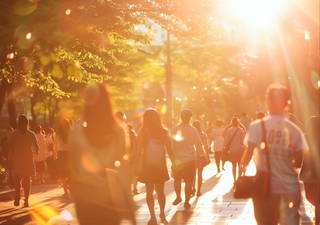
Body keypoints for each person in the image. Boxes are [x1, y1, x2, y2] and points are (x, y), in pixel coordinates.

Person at [241, 84, 308, 225]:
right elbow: (298, 162)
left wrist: (244, 166)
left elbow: (246, 158)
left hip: (265, 188)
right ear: (287, 104)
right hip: (289, 189)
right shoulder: (295, 131)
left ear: (267, 102)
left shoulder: (257, 126)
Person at [69, 83, 135, 225]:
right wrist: (128, 198)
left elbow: (72, 165)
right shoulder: (119, 130)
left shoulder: (77, 130)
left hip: (84, 195)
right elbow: (123, 166)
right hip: (110, 193)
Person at [132, 109, 175, 225]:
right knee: (161, 192)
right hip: (160, 165)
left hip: (148, 166)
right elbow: (170, 150)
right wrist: (175, 164)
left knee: (149, 192)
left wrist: (135, 165)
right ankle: (162, 214)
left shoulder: (142, 132)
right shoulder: (164, 132)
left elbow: (139, 151)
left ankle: (152, 218)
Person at [171, 109, 207, 209]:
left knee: (177, 179)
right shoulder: (193, 130)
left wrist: (171, 156)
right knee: (188, 181)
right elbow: (198, 144)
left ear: (181, 117)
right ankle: (186, 201)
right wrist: (202, 155)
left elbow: (171, 144)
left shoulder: (175, 129)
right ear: (190, 117)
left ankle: (178, 197)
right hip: (190, 159)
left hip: (177, 159)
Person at [7, 115, 39, 207]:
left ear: (18, 123)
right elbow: (36, 148)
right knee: (27, 179)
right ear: (27, 123)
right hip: (28, 159)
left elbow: (9, 145)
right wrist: (34, 152)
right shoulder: (31, 134)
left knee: (17, 178)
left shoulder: (14, 134)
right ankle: (26, 201)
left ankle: (17, 194)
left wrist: (13, 150)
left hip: (17, 158)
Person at [300, 116, 319, 225]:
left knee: (315, 197)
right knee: (309, 196)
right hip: (308, 170)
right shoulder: (305, 137)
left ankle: (317, 222)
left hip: (314, 170)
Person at [54, 118, 72, 197]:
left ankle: (65, 193)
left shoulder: (56, 134)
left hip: (60, 154)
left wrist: (55, 156)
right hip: (69, 154)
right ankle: (71, 187)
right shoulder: (71, 133)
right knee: (70, 172)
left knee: (62, 175)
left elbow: (55, 147)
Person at [191, 120, 210, 196]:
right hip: (201, 155)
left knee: (192, 174)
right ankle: (198, 190)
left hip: (192, 155)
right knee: (200, 174)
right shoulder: (204, 135)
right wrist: (207, 157)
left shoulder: (191, 134)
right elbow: (206, 147)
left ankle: (192, 189)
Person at [225, 116, 245, 183]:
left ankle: (234, 180)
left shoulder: (229, 130)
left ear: (232, 123)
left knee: (233, 166)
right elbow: (244, 141)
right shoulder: (241, 130)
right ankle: (239, 178)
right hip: (240, 150)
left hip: (232, 151)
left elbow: (226, 141)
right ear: (238, 122)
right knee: (240, 166)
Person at [127, 124, 139, 195]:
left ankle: (131, 188)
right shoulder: (134, 136)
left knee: (129, 172)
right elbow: (135, 147)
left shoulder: (128, 134)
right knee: (134, 173)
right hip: (133, 156)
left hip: (128, 156)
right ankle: (135, 188)